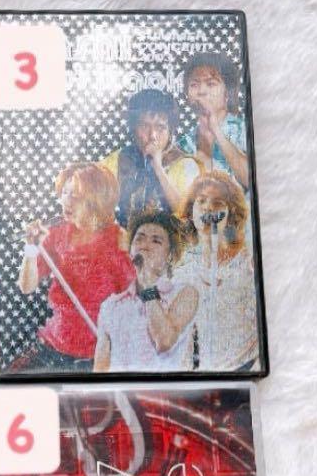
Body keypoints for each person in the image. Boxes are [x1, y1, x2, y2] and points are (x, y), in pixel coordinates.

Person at [14, 162, 134, 372]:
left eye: (75, 196)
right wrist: (31, 248)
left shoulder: (118, 239)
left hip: (95, 358)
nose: (66, 201)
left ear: (96, 201)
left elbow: (133, 301)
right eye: (64, 193)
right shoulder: (57, 234)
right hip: (51, 348)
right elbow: (26, 286)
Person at [173, 171, 259, 371]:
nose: (208, 208)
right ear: (191, 212)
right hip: (211, 374)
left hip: (250, 366)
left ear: (230, 215)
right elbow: (184, 345)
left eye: (218, 203)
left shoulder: (248, 260)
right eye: (201, 201)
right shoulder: (183, 275)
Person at [93, 211, 197, 373]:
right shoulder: (110, 306)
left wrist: (148, 282)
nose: (145, 245)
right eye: (139, 239)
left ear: (170, 255)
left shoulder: (185, 293)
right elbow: (100, 368)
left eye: (156, 241)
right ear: (131, 249)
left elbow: (164, 341)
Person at [99, 89, 199, 226]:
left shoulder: (186, 164)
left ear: (170, 131)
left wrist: (158, 168)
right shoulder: (119, 159)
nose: (152, 135)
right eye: (145, 126)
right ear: (133, 128)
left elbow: (186, 214)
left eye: (160, 127)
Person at [177, 52, 250, 191]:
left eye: (211, 84)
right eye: (194, 84)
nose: (202, 91)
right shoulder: (183, 144)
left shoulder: (244, 130)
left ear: (228, 92)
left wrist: (216, 130)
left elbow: (251, 179)